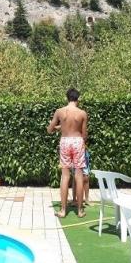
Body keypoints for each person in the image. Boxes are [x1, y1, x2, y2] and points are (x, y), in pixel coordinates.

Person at [47, 88, 88, 218]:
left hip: (65, 141)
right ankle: (80, 210)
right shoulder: (82, 113)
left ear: (67, 98)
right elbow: (84, 134)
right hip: (77, 141)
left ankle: (63, 210)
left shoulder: (59, 112)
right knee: (79, 175)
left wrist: (59, 127)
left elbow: (49, 130)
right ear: (78, 99)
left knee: (65, 176)